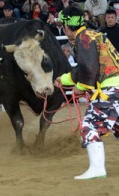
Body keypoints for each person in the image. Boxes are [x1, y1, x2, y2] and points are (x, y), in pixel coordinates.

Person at [54, 6, 119, 180]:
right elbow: (83, 68)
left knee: (90, 125)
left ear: (67, 26)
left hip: (111, 89)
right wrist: (64, 79)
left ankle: (97, 169)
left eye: (63, 24)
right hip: (115, 87)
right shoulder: (90, 35)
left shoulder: (84, 39)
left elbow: (89, 69)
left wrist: (80, 87)